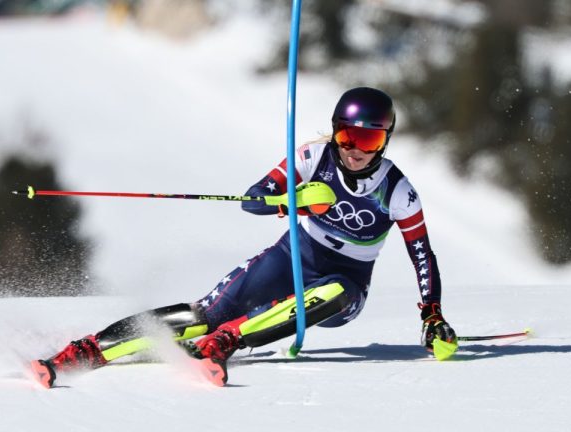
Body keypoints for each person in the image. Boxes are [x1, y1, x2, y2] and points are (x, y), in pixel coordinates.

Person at [30, 87, 456, 388]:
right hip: (293, 255)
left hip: (347, 281)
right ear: (335, 131)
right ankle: (86, 349)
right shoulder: (311, 157)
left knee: (338, 292)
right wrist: (295, 201)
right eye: (347, 135)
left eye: (369, 138)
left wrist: (431, 315)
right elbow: (253, 199)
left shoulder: (398, 189)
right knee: (205, 312)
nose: (355, 149)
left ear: (385, 141)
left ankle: (227, 342)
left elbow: (422, 253)